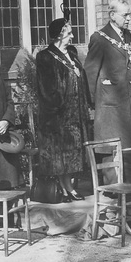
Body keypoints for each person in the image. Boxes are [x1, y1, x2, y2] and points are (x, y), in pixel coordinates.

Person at [36, 16, 91, 202]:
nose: (72, 36)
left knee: (72, 155)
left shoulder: (72, 54)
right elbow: (46, 89)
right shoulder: (45, 57)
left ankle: (69, 187)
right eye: (69, 33)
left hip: (75, 113)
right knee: (60, 155)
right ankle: (64, 189)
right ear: (59, 36)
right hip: (57, 116)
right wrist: (59, 106)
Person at [84, 0, 131, 150]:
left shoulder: (130, 36)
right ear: (112, 15)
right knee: (113, 155)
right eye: (125, 15)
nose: (129, 19)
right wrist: (91, 105)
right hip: (111, 109)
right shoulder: (99, 38)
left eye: (130, 14)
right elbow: (90, 74)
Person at [0, 65, 22, 190]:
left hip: (2, 133)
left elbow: (9, 101)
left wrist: (6, 120)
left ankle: (10, 204)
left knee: (9, 177)